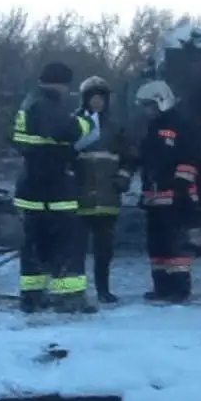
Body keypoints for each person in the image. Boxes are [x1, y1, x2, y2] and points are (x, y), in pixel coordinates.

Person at [11, 61, 101, 314]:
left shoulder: (29, 102)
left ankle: (32, 295)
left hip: (32, 187)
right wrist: (86, 122)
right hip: (54, 189)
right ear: (61, 84)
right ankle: (69, 297)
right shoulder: (46, 104)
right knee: (69, 243)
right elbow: (69, 131)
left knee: (35, 246)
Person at [134, 79, 199, 302]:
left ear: (161, 101)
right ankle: (161, 286)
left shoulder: (180, 124)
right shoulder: (152, 128)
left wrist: (181, 184)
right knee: (157, 244)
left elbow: (189, 157)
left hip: (176, 197)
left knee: (176, 245)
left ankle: (179, 288)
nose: (146, 110)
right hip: (154, 198)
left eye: (149, 105)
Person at [72, 76, 133, 305]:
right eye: (93, 98)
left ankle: (103, 290)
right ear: (85, 99)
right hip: (80, 197)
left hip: (108, 196)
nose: (97, 102)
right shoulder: (74, 124)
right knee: (76, 247)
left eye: (101, 98)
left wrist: (123, 179)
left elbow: (129, 159)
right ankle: (76, 291)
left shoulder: (116, 127)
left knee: (104, 249)